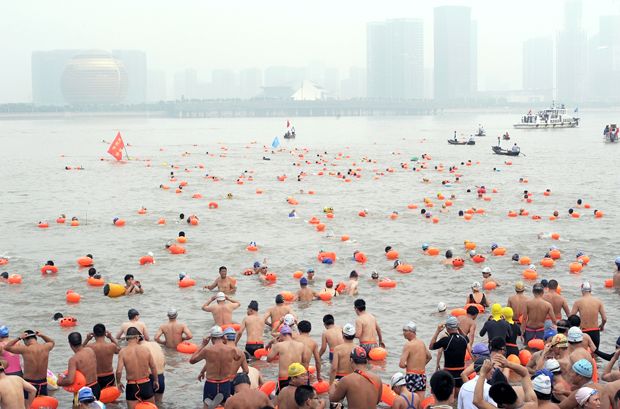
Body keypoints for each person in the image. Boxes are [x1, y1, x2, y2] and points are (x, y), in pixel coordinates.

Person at [190, 326, 245, 407]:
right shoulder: (231, 350)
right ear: (222, 336)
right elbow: (237, 358)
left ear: (211, 338)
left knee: (207, 406)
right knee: (226, 405)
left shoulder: (207, 350)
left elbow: (192, 361)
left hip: (211, 384)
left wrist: (203, 344)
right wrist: (226, 343)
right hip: (225, 384)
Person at [3, 329, 54, 398]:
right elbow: (52, 342)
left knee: (28, 403)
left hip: (29, 383)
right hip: (43, 383)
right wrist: (42, 335)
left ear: (25, 340)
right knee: (43, 403)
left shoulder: (25, 349)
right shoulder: (46, 347)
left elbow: (6, 347)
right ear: (35, 338)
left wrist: (19, 338)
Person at [116, 327, 158, 409]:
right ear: (138, 337)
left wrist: (118, 382)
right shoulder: (145, 349)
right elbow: (153, 366)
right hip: (146, 384)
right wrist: (156, 380)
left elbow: (118, 371)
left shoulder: (123, 352)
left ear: (127, 338)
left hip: (132, 386)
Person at [429, 317, 469, 396]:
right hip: (461, 373)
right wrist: (458, 328)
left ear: (447, 328)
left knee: (450, 397)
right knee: (457, 397)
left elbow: (431, 347)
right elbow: (466, 338)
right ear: (457, 326)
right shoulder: (464, 339)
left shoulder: (446, 340)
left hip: (449, 373)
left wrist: (437, 331)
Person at [267, 325, 309, 392]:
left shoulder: (278, 345)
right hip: (297, 377)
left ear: (281, 334)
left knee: (283, 396)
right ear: (290, 334)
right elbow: (305, 361)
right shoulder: (301, 345)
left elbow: (268, 359)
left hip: (284, 377)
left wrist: (274, 345)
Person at [57, 332, 99, 398]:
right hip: (96, 386)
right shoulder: (90, 350)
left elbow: (70, 380)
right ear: (80, 341)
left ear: (70, 344)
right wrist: (87, 340)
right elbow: (82, 349)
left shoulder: (73, 360)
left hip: (84, 392)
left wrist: (59, 382)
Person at [399, 321, 431, 401]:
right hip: (422, 376)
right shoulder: (421, 343)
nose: (403, 333)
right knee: (420, 402)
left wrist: (409, 365)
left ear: (411, 332)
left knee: (409, 402)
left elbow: (401, 364)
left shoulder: (408, 345)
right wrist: (420, 365)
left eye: (405, 330)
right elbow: (429, 357)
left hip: (411, 376)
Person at [83, 323, 120, 390]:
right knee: (111, 395)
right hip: (109, 376)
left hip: (95, 377)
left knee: (97, 396)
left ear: (94, 334)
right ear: (105, 333)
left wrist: (87, 339)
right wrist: (111, 337)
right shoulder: (111, 346)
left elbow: (79, 352)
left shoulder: (89, 347)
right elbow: (119, 350)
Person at [570, 281, 606, 348]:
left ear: (582, 290)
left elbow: (571, 318)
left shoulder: (578, 302)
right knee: (595, 352)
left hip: (584, 332)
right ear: (590, 290)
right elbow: (604, 318)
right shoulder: (598, 302)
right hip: (595, 332)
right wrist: (602, 325)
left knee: (583, 353)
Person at [139, 337, 166, 405]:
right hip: (160, 377)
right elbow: (164, 362)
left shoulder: (140, 347)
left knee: (145, 405)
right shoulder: (155, 344)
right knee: (159, 404)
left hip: (149, 378)